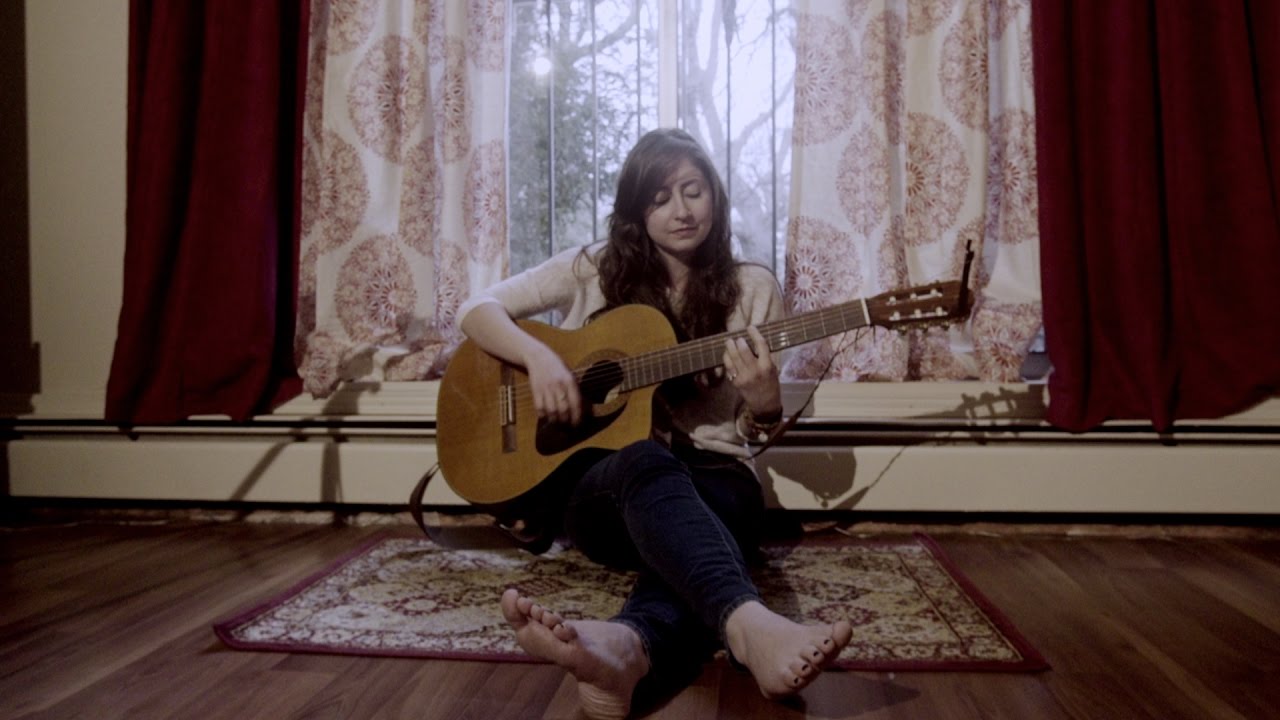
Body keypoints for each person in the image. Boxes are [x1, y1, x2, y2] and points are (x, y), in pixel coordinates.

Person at [455, 128, 852, 719]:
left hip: (716, 480)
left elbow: (751, 434)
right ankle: (752, 625)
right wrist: (538, 357)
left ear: (715, 195)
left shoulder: (753, 290)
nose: (681, 211)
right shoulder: (593, 268)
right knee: (645, 459)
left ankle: (627, 649)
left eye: (694, 191)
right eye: (660, 198)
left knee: (704, 529)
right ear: (636, 211)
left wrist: (765, 405)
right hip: (608, 492)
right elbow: (476, 309)